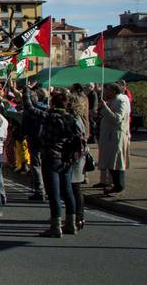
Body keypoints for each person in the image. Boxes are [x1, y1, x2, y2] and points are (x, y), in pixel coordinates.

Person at [23, 82, 82, 237]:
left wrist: (26, 91)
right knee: (68, 191)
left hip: (51, 157)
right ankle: (71, 223)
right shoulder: (71, 118)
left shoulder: (48, 117)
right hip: (67, 158)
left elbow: (29, 108)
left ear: (53, 103)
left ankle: (56, 226)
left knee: (54, 193)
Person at [97, 83, 131, 195]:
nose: (105, 92)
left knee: (117, 162)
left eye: (107, 90)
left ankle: (119, 185)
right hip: (108, 136)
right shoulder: (113, 100)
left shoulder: (122, 101)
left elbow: (117, 118)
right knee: (110, 162)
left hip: (116, 135)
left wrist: (105, 107)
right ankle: (116, 185)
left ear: (113, 91)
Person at [67, 90, 89, 230]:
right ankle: (78, 217)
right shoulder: (80, 119)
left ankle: (76, 217)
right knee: (76, 188)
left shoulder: (73, 119)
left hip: (74, 156)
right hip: (79, 155)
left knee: (73, 188)